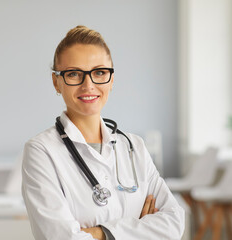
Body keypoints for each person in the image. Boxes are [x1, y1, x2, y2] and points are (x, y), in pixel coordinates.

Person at [22, 25, 185, 240]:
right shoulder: (42, 151)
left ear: (112, 79)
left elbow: (174, 223)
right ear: (56, 82)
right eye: (74, 74)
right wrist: (140, 229)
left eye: (99, 72)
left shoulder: (133, 146)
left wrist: (101, 233)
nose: (88, 85)